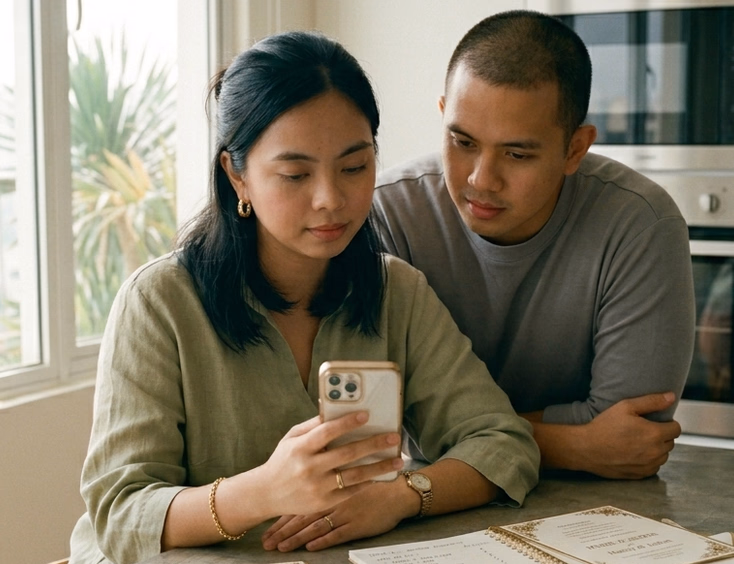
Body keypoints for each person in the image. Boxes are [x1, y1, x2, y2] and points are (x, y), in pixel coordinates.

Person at [68, 30, 539, 564]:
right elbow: (119, 512)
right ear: (236, 175)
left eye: (355, 167)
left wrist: (400, 498)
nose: (331, 199)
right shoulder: (158, 303)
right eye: (295, 174)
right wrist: (263, 491)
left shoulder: (396, 292)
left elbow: (504, 444)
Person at [372, 10, 695, 480]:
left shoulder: (641, 223)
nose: (481, 179)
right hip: (437, 497)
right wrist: (576, 444)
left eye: (517, 154)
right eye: (462, 142)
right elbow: (380, 428)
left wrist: (454, 429)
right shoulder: (387, 214)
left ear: (574, 150)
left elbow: (633, 435)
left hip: (597, 512)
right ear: (443, 115)